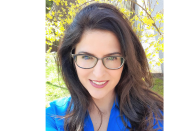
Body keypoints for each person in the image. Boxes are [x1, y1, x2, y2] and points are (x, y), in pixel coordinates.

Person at [46, 2, 163, 131]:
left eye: (112, 58)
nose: (99, 73)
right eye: (86, 57)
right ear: (71, 58)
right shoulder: (53, 117)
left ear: (127, 61)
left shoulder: (155, 118)